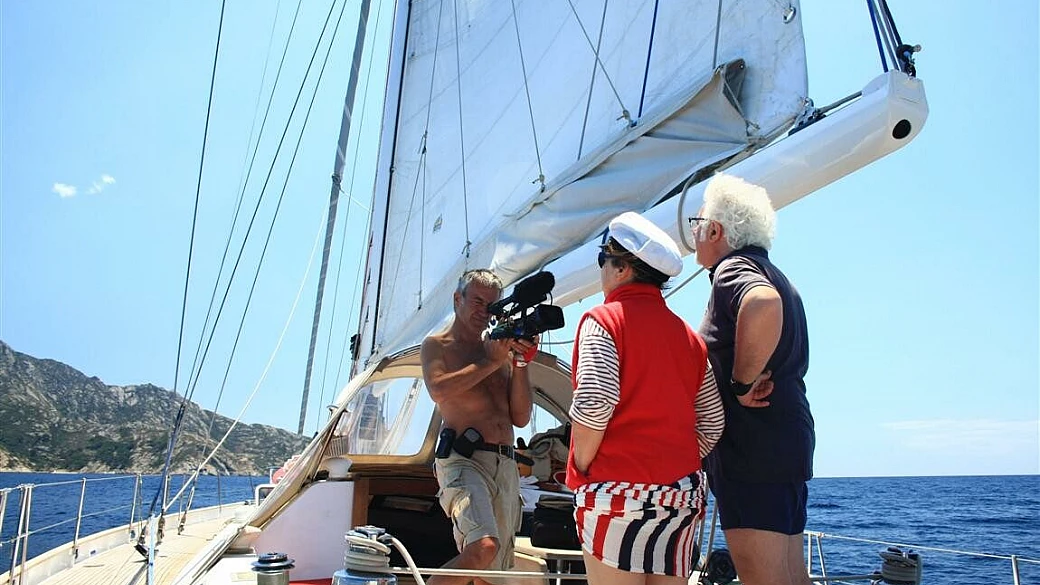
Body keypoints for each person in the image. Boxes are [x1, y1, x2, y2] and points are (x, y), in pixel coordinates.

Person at [566, 212, 724, 585]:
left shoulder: (603, 321)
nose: (601, 271)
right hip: (679, 498)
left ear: (621, 267)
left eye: (602, 261)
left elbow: (594, 402)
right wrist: (668, 457)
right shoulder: (690, 340)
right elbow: (713, 423)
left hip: (615, 498)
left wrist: (584, 466)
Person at [689, 174, 814, 585]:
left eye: (698, 222)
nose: (694, 231)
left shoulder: (733, 270)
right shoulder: (778, 274)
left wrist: (740, 386)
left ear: (715, 229)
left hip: (751, 449)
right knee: (791, 576)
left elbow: (761, 303)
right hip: (785, 441)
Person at [421, 268, 537, 585]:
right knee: (483, 548)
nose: (483, 310)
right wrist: (490, 362)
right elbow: (438, 389)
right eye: (476, 300)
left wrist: (521, 361)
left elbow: (521, 417)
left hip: (505, 464)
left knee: (493, 575)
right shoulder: (437, 345)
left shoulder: (499, 350)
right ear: (457, 299)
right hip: (464, 461)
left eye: (491, 304)